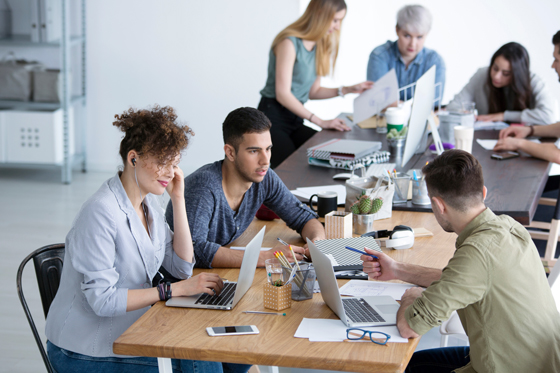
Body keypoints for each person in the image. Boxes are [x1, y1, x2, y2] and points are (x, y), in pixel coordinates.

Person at [45, 106, 250, 373]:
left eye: (174, 164)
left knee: (235, 357)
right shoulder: (100, 212)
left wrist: (178, 199)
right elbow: (102, 300)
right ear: (133, 159)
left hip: (133, 330)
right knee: (204, 363)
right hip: (84, 349)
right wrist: (172, 290)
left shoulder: (148, 206)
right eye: (163, 163)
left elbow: (181, 266)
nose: (170, 172)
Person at [360, 149, 560, 373]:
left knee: (398, 365)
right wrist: (397, 269)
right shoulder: (509, 227)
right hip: (541, 361)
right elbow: (462, 279)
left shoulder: (476, 253)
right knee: (415, 364)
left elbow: (409, 327)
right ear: (483, 193)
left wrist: (411, 297)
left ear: (439, 206)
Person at [165, 107, 325, 268]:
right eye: (254, 151)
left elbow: (304, 218)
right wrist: (263, 257)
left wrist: (316, 242)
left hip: (217, 273)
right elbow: (195, 250)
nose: (265, 161)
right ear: (230, 153)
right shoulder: (203, 188)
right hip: (182, 280)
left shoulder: (264, 177)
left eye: (268, 149)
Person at [258, 0, 373, 169]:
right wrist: (320, 121)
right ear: (319, 15)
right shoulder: (289, 43)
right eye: (335, 20)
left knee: (330, 154)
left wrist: (347, 90)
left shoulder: (320, 45)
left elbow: (313, 91)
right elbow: (283, 94)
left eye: (340, 21)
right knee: (293, 169)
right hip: (272, 118)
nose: (337, 27)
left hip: (294, 120)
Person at [446, 42, 557, 125]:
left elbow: (548, 116)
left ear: (517, 76)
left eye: (506, 73)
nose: (496, 76)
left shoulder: (533, 82)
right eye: (495, 68)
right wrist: (467, 114)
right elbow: (453, 106)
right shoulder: (482, 74)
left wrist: (503, 116)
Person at [494, 31, 560, 162]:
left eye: (556, 60)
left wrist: (518, 143)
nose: (553, 66)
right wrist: (529, 130)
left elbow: (557, 154)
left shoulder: (535, 82)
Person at [367, 5, 445, 107]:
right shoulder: (379, 55)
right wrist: (413, 107)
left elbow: (433, 102)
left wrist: (396, 105)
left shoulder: (435, 61)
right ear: (397, 30)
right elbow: (378, 100)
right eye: (407, 36)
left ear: (427, 34)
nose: (412, 44)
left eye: (419, 37)